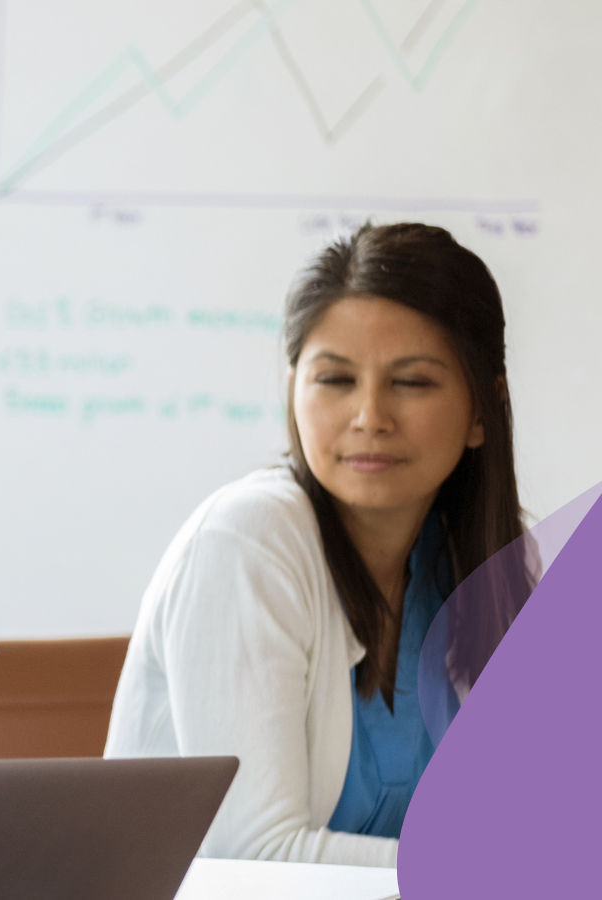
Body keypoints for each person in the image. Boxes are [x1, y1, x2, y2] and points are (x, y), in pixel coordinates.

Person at [105, 222, 531, 866]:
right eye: (335, 380)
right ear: (293, 390)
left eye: (411, 382)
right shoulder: (246, 542)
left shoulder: (488, 560)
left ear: (482, 412)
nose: (369, 417)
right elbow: (258, 858)